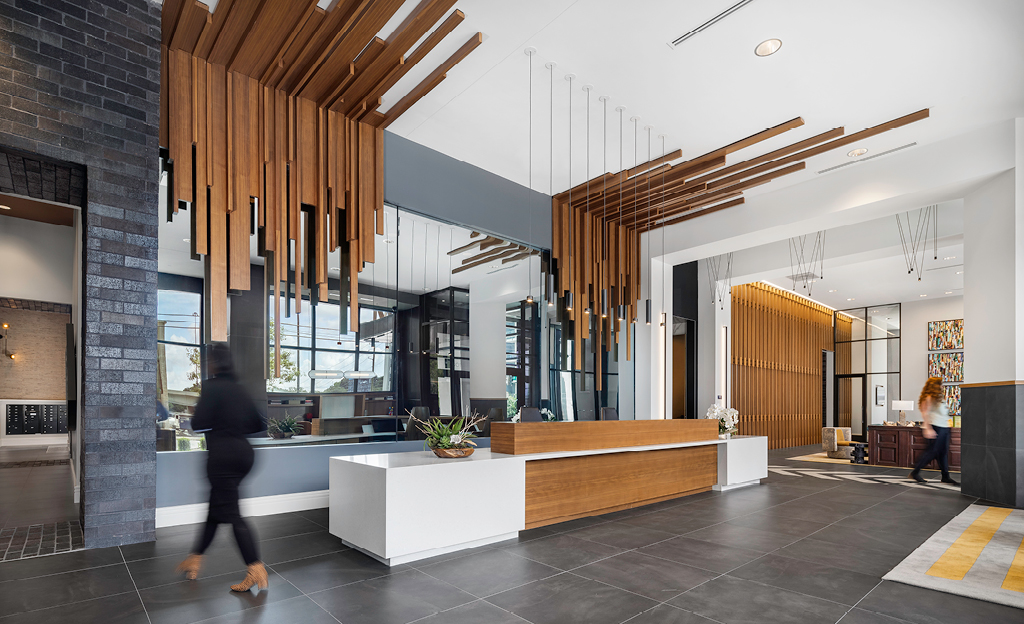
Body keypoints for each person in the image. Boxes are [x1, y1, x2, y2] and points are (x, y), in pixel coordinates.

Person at [176, 343, 268, 592]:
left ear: (213, 363)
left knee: (232, 514)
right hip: (244, 454)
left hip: (222, 457)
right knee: (215, 511)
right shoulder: (240, 389)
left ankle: (255, 567)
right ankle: (194, 559)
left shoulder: (212, 387)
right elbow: (257, 424)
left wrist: (209, 417)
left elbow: (198, 423)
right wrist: (232, 423)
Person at [909, 376, 959, 485]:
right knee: (931, 452)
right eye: (940, 384)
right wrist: (928, 428)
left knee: (943, 453)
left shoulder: (940, 398)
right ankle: (915, 472)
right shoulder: (928, 397)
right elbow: (925, 413)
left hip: (944, 427)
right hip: (936, 427)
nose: (942, 386)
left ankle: (945, 476)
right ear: (935, 386)